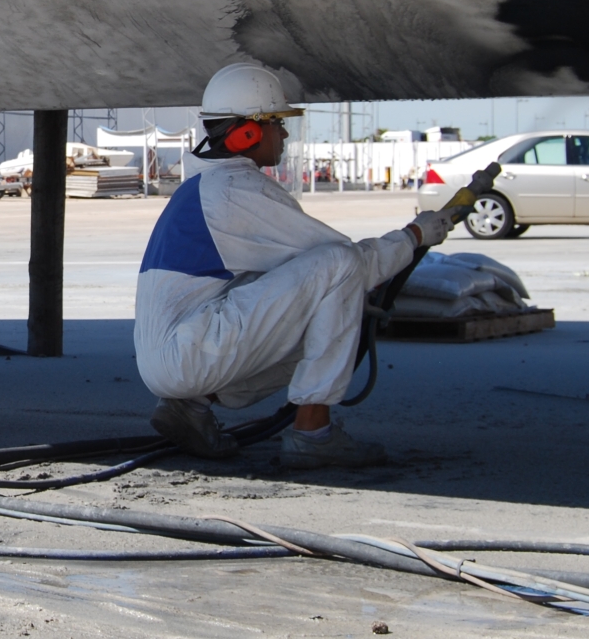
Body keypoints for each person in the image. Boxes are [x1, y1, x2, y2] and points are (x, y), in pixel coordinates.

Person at [134, 63, 455, 467]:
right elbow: (350, 265)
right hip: (187, 355)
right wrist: (416, 236)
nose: (284, 134)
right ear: (248, 133)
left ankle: (192, 406)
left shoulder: (205, 185)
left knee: (325, 314)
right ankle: (312, 432)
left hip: (180, 355)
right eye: (277, 124)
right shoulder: (236, 190)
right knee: (339, 267)